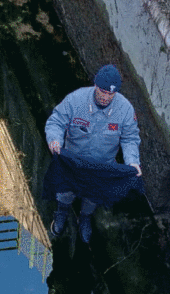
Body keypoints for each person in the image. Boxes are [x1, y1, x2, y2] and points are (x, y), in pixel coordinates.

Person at [44, 65, 143, 246]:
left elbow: (129, 138)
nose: (105, 97)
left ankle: (85, 218)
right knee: (66, 191)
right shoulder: (75, 100)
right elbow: (56, 121)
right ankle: (62, 212)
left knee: (93, 195)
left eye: (110, 95)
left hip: (101, 165)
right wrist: (55, 141)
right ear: (95, 85)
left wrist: (132, 161)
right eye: (102, 92)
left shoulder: (126, 110)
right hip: (73, 162)